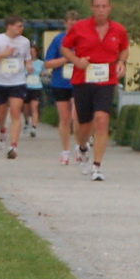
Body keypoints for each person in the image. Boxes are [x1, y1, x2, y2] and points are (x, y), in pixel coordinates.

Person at [61, 0, 131, 182]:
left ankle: (97, 165)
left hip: (106, 81)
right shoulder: (79, 28)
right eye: (97, 6)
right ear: (91, 8)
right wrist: (76, 60)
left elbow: (124, 48)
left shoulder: (118, 30)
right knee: (83, 125)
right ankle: (83, 148)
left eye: (104, 6)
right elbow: (65, 47)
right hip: (82, 80)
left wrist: (122, 62)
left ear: (110, 8)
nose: (101, 10)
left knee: (101, 119)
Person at [0, 16, 34, 159]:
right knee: (1, 114)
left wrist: (28, 65)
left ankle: (13, 146)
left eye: (22, 26)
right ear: (9, 26)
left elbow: (27, 58)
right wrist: (3, 54)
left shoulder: (25, 42)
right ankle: (2, 130)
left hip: (18, 82)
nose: (21, 29)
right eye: (18, 26)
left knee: (16, 112)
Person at [44, 11, 81, 164]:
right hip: (60, 82)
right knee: (64, 118)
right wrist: (66, 59)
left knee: (76, 116)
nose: (73, 25)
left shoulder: (83, 39)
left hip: (78, 82)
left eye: (76, 23)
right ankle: (65, 151)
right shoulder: (58, 40)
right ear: (65, 23)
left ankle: (79, 147)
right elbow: (48, 63)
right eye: (70, 22)